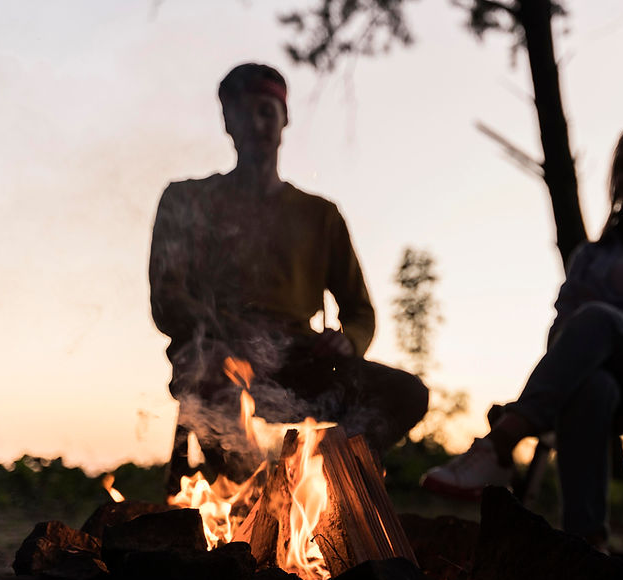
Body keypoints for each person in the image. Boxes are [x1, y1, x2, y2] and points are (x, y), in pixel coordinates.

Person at [421, 129, 623, 550]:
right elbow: (560, 332)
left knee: (596, 318)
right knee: (590, 386)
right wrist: (583, 333)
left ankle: (501, 442)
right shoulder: (591, 257)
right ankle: (588, 548)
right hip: (594, 376)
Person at [149, 63, 428, 489]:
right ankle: (258, 500)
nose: (257, 124)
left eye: (267, 111)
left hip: (302, 363)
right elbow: (166, 299)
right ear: (228, 122)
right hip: (216, 359)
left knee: (405, 393)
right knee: (210, 377)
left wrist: (347, 339)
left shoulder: (319, 216)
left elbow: (360, 311)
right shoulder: (187, 200)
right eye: (244, 113)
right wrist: (223, 330)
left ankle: (318, 488)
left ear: (285, 119)